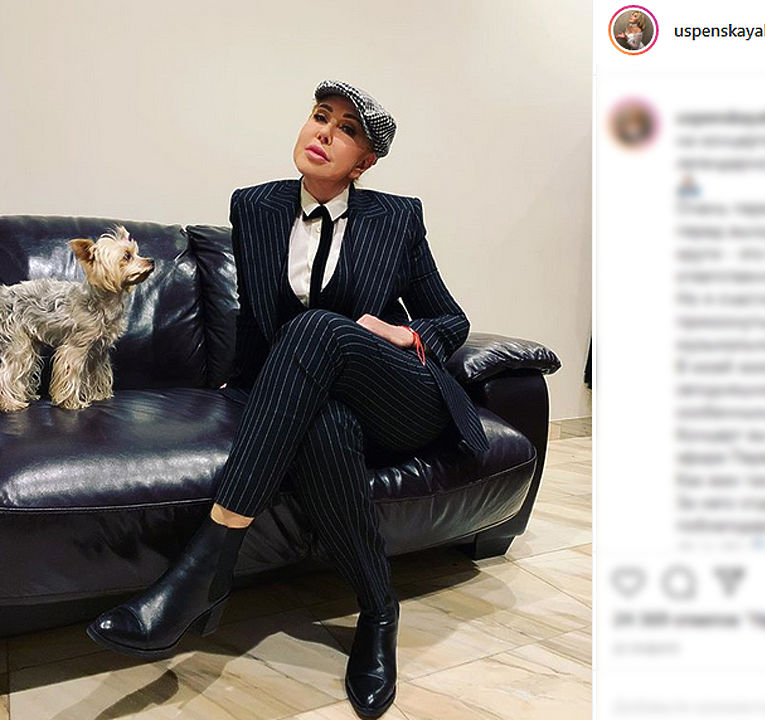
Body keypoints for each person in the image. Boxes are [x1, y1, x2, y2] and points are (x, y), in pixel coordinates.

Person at [86, 79, 490, 719]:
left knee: (317, 327)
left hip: (398, 397)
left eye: (346, 130)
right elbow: (257, 326)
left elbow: (451, 319)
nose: (324, 132)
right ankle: (378, 611)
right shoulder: (256, 207)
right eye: (320, 116)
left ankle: (204, 569)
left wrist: (405, 333)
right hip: (322, 397)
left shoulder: (397, 217)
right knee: (323, 425)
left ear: (364, 163)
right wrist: (239, 385)